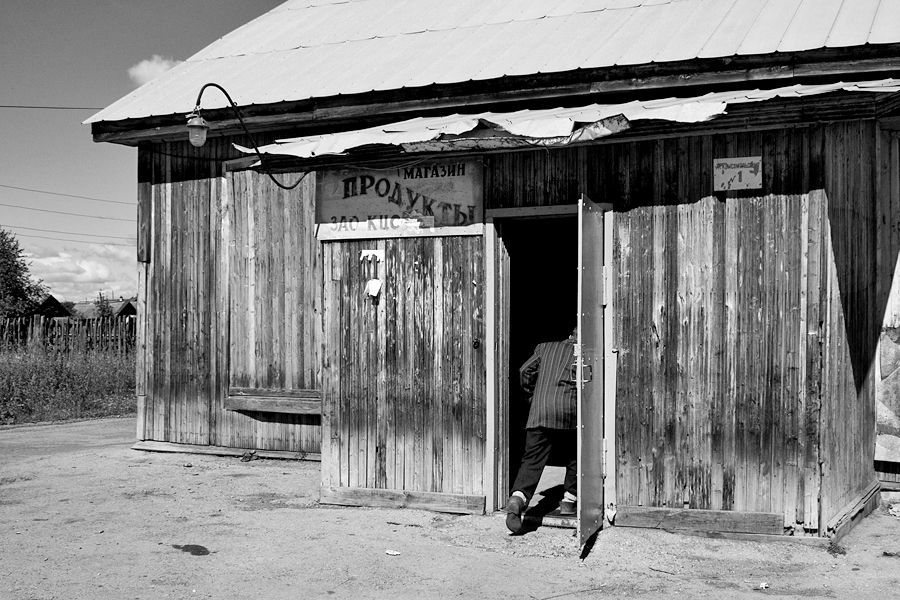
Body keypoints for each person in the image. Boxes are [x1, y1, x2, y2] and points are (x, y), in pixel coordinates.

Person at [505, 329, 578, 534]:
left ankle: (518, 498)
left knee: (533, 459)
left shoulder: (544, 348)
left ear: (569, 335)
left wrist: (532, 395)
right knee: (575, 455)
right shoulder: (585, 352)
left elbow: (524, 371)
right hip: (571, 413)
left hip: (540, 411)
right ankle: (569, 501)